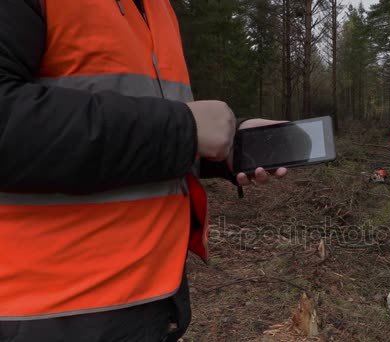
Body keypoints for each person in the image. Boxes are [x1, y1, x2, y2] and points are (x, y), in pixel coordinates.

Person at [0, 1, 285, 341]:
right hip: (47, 312)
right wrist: (183, 129)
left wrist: (227, 145)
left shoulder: (157, 8)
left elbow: (140, 135)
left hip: (150, 300)